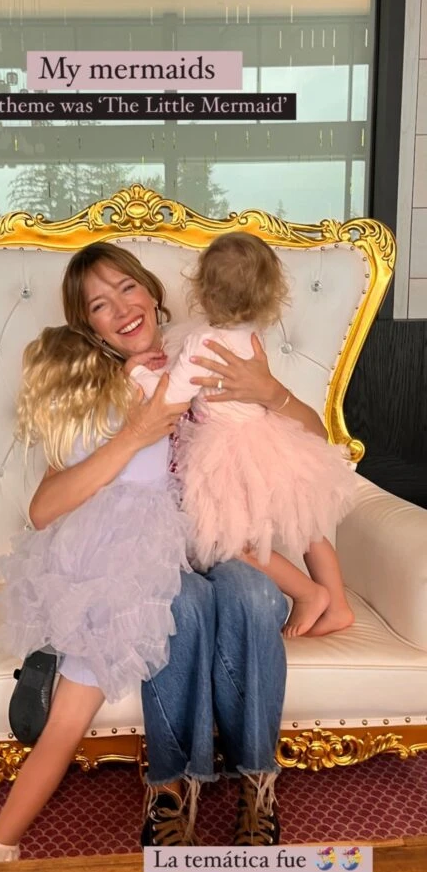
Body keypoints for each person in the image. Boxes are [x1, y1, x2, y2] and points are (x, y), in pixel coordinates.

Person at [0, 238, 322, 861]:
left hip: (205, 532)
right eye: (99, 304)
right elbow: (45, 507)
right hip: (141, 556)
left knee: (252, 592)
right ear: (89, 327)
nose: (121, 308)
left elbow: (313, 445)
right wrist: (134, 432)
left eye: (127, 288)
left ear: (155, 293)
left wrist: (269, 391)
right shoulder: (99, 388)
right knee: (175, 610)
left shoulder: (200, 351)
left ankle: (256, 786)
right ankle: (162, 795)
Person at [129, 232, 357, 638]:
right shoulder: (251, 333)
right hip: (270, 436)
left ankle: (308, 593)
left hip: (227, 450)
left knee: (231, 542)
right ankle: (338, 603)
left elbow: (172, 397)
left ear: (202, 291)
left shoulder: (201, 341)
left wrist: (138, 374)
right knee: (306, 519)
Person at [0, 324, 190, 706]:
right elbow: (41, 509)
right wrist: (136, 374)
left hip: (72, 552)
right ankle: (65, 686)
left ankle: (54, 644)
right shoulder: (135, 404)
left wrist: (130, 371)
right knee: (121, 621)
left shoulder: (76, 425)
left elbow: (42, 513)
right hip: (132, 551)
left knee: (86, 611)